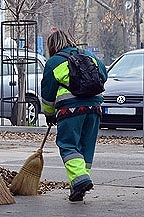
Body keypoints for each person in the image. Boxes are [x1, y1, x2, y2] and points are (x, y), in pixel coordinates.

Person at [41, 30, 108, 202]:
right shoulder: (89, 55)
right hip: (94, 108)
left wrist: (49, 115)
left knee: (68, 146)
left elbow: (48, 94)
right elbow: (103, 74)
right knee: (86, 148)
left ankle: (81, 181)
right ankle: (78, 188)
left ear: (52, 45)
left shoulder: (54, 61)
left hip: (70, 110)